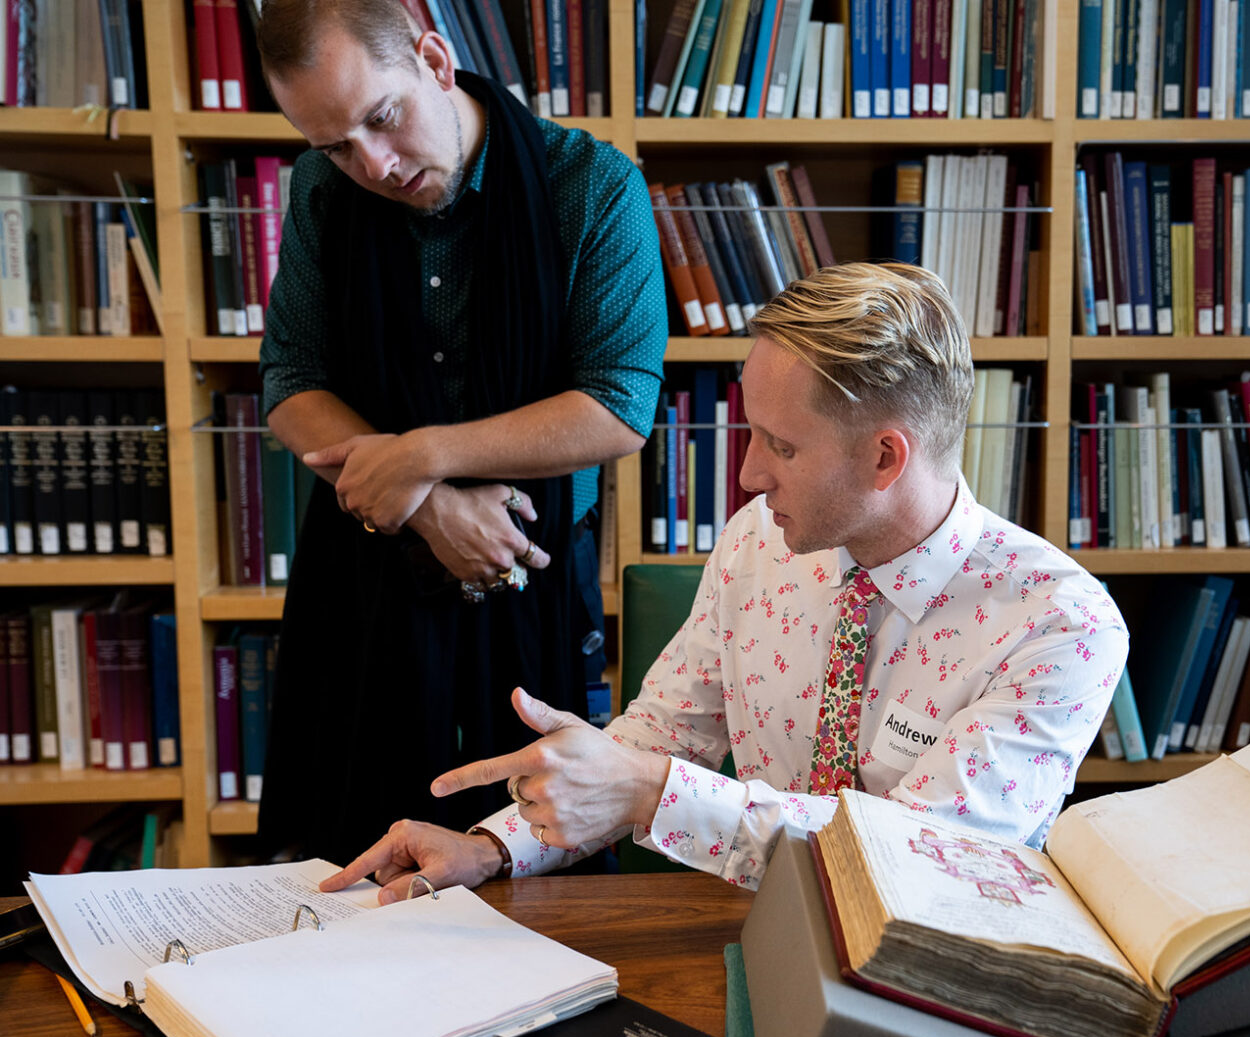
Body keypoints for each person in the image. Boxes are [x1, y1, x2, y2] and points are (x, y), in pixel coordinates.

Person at [321, 262, 1128, 903]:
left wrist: (648, 792)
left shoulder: (1061, 625)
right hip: (754, 941)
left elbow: (919, 859)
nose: (746, 475)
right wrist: (494, 847)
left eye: (781, 445)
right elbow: (666, 735)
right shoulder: (757, 545)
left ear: (885, 457)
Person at [251, 0, 666, 864]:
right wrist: (428, 504)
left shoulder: (589, 184)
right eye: (335, 144)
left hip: (532, 577)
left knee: (532, 858)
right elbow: (291, 382)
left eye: (381, 117)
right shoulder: (322, 192)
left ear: (435, 60)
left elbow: (619, 404)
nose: (372, 164)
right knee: (350, 866)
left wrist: (423, 455)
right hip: (364, 584)